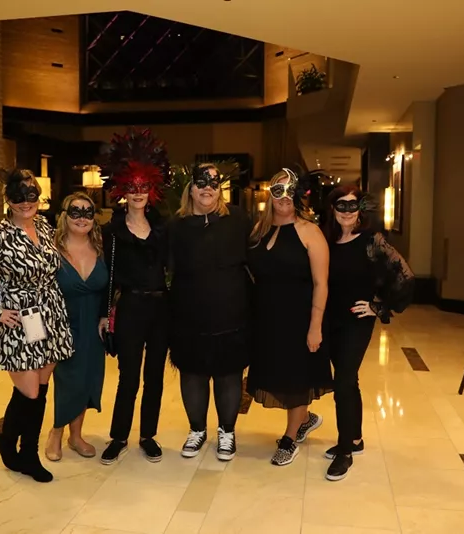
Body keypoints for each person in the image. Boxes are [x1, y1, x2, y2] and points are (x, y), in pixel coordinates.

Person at [0, 168, 73, 483]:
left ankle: (19, 449)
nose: (26, 203)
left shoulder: (45, 228)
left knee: (41, 388)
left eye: (31, 196)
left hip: (50, 317)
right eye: (18, 198)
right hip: (19, 322)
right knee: (30, 391)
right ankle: (18, 448)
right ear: (8, 199)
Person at [321, 184, 414, 481]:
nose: (346, 212)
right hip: (329, 320)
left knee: (344, 381)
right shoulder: (327, 240)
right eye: (340, 206)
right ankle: (356, 439)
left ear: (359, 209)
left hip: (356, 321)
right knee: (349, 380)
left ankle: (345, 450)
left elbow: (406, 277)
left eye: (352, 206)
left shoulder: (371, 241)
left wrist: (379, 307)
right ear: (332, 209)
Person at [246, 168, 332, 466]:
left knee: (297, 378)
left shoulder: (310, 231)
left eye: (289, 190)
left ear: (298, 195)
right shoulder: (260, 229)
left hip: (298, 317)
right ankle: (305, 419)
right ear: (269, 194)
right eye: (277, 190)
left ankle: (289, 437)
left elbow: (321, 283)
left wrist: (316, 327)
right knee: (277, 375)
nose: (283, 197)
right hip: (267, 318)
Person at [168, 164, 251, 462]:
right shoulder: (176, 225)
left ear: (221, 189)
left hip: (231, 309)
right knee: (192, 373)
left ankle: (226, 432)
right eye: (201, 183)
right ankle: (197, 430)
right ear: (191, 188)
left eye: (214, 184)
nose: (208, 188)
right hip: (188, 310)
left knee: (228, 373)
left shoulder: (239, 219)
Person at [98, 128, 171, 465]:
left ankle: (148, 435)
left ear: (152, 190)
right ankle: (119, 436)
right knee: (128, 377)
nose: (139, 193)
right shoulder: (112, 231)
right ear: (123, 190)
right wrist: (104, 313)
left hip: (161, 309)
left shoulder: (163, 228)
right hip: (129, 308)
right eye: (133, 187)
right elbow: (105, 278)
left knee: (154, 376)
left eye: (144, 187)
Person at [44, 192, 108, 462]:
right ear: (64, 216)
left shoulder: (102, 249)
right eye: (75, 212)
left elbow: (110, 287)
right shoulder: (50, 249)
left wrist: (106, 315)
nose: (82, 218)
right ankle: (56, 432)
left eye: (88, 212)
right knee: (67, 379)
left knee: (89, 378)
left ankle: (76, 434)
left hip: (93, 326)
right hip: (62, 325)